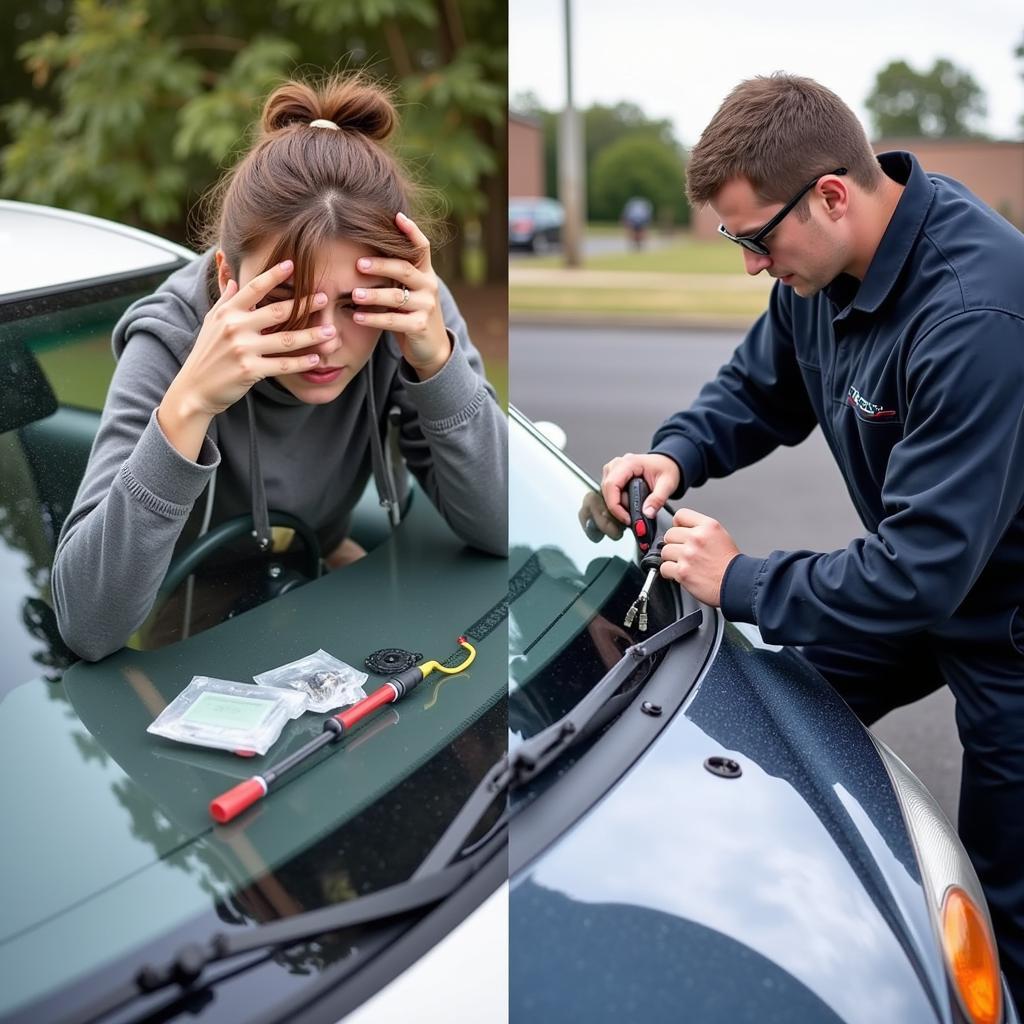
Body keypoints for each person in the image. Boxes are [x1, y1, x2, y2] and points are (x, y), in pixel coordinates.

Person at [601, 73, 1024, 1007]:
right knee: (770, 714)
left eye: (756, 239)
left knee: (1002, 904)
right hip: (938, 575)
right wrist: (676, 454)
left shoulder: (975, 316)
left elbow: (916, 572)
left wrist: (739, 577)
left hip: (1005, 621)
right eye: (733, 240)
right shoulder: (820, 267)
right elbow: (762, 387)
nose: (751, 265)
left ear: (832, 193)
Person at [52, 73, 507, 663]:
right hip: (197, 628)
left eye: (353, 305)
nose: (326, 341)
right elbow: (87, 624)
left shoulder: (407, 311)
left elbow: (497, 527)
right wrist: (188, 406)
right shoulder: (171, 340)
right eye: (292, 304)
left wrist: (436, 362)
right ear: (226, 280)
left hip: (321, 580)